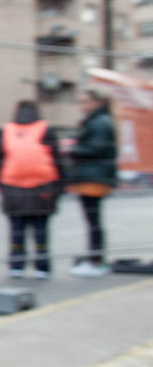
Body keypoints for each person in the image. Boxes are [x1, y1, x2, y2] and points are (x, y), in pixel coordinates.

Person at [0, 100, 62, 279]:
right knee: (40, 229)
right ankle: (42, 266)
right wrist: (60, 186)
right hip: (42, 186)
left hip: (12, 187)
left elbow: (1, 159)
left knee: (17, 229)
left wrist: (0, 185)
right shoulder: (45, 128)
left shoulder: (7, 130)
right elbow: (57, 158)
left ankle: (16, 265)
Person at [66, 88, 118, 278]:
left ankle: (95, 260)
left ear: (98, 102)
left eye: (85, 101)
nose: (82, 106)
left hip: (93, 176)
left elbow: (97, 148)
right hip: (92, 175)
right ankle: (95, 259)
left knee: (93, 220)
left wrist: (73, 149)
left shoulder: (99, 122)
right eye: (80, 101)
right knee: (93, 220)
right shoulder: (97, 120)